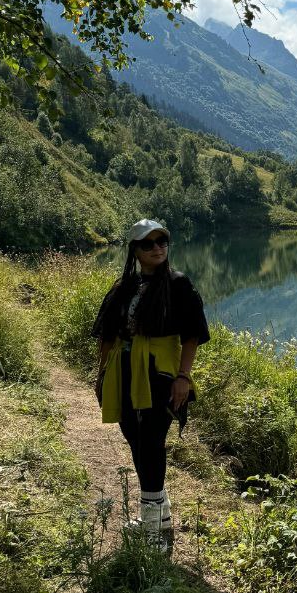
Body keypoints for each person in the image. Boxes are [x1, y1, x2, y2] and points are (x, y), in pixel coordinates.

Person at [92, 219, 210, 552]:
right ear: (135, 250)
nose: (157, 248)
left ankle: (153, 532)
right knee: (133, 435)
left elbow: (192, 335)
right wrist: (101, 374)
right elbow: (108, 334)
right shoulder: (123, 287)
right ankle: (160, 517)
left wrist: (183, 377)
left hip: (160, 370)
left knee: (152, 440)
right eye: (148, 244)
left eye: (162, 241)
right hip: (123, 368)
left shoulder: (178, 285)